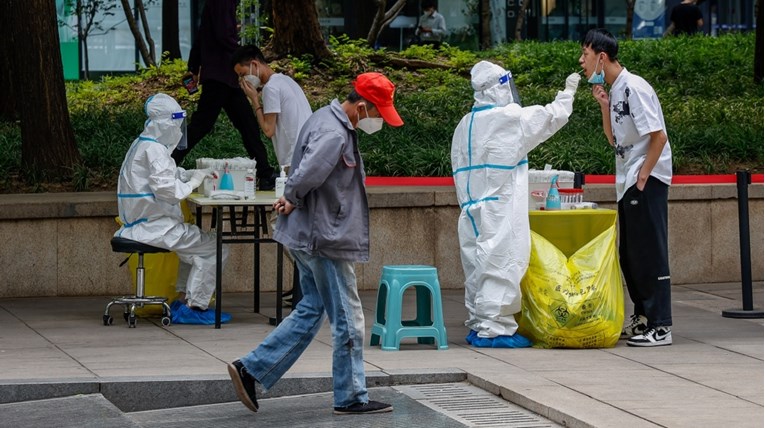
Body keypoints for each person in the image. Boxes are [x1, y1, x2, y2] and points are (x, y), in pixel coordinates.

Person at [227, 72, 403, 415]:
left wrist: (292, 197)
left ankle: (251, 369)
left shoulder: (325, 118)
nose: (379, 121)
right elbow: (309, 171)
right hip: (324, 237)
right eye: (378, 113)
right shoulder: (334, 132)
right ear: (362, 106)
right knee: (349, 319)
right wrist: (292, 196)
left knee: (311, 309)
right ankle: (351, 396)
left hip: (311, 234)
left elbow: (306, 170)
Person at [451, 61, 580, 348]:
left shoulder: (465, 123)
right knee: (501, 263)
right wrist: (568, 92)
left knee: (476, 265)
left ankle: (478, 324)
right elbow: (550, 117)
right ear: (499, 87)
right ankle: (495, 330)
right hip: (500, 205)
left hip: (470, 208)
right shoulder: (509, 118)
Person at [579, 28, 673, 347]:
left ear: (601, 58)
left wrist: (644, 176)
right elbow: (615, 142)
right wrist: (604, 106)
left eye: (586, 55)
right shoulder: (615, 89)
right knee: (630, 254)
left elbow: (658, 136)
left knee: (649, 252)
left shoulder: (634, 87)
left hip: (645, 180)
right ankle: (644, 318)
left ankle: (661, 325)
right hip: (628, 181)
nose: (582, 61)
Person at [115, 93, 231, 325]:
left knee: (196, 248)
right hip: (155, 228)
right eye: (175, 123)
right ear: (165, 123)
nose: (178, 129)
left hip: (143, 225)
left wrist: (187, 174)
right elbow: (168, 191)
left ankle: (183, 300)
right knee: (216, 246)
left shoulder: (142, 145)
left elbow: (165, 175)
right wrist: (194, 182)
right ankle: (194, 306)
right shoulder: (155, 151)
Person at [231, 44, 313, 306]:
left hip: (295, 166)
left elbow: (268, 129)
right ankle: (304, 287)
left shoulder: (273, 88)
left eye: (243, 73)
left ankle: (311, 286)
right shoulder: (286, 82)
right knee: (293, 227)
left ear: (255, 64)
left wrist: (254, 100)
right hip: (300, 162)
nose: (242, 80)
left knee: (284, 228)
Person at [172, 0, 276, 190]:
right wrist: (244, 56)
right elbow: (224, 36)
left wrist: (193, 67)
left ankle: (265, 172)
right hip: (222, 76)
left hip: (223, 77)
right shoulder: (223, 2)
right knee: (205, 125)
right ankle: (168, 161)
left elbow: (201, 37)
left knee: (246, 125)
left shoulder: (214, 5)